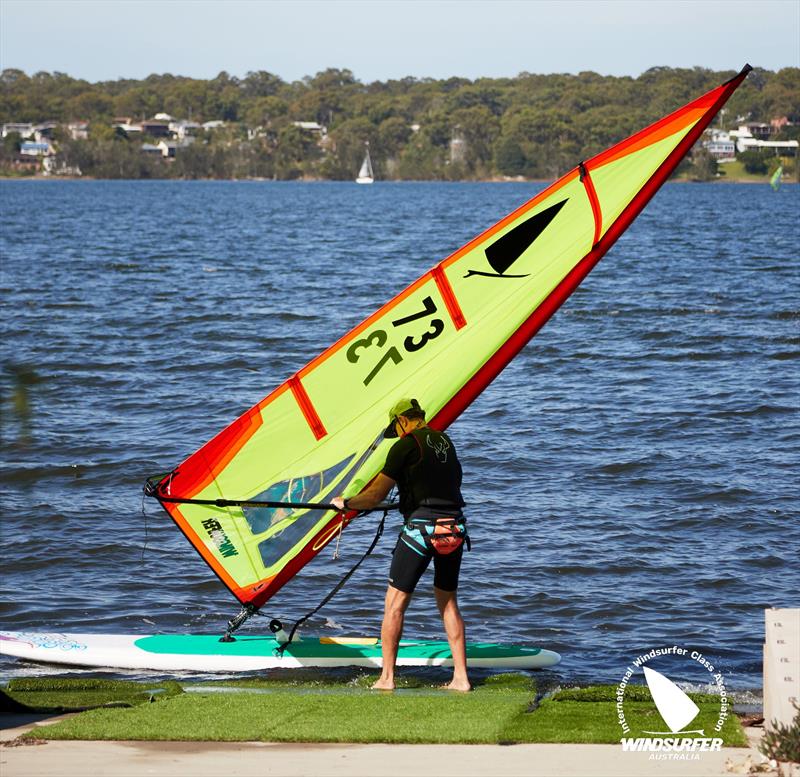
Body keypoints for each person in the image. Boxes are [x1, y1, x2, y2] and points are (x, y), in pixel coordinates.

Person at [332, 398, 470, 692]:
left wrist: (346, 503)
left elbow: (374, 496)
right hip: (454, 530)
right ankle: (461, 678)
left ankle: (387, 678)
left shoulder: (404, 445)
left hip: (422, 531)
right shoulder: (444, 441)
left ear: (401, 422)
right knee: (448, 603)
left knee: (394, 605)